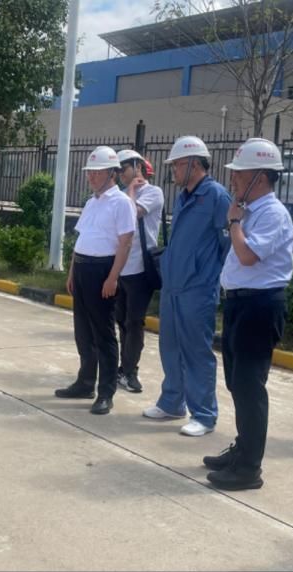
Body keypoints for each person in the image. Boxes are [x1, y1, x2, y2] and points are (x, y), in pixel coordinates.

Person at [203, 138, 293, 491]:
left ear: (261, 177)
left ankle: (249, 468)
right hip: (241, 304)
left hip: (261, 305)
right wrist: (238, 219)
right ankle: (242, 450)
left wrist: (234, 223)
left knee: (249, 386)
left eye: (240, 174)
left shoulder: (272, 213)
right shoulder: (250, 212)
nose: (234, 180)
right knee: (236, 382)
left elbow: (247, 256)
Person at [141, 136, 231, 438]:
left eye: (177, 165)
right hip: (173, 285)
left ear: (194, 163)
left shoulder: (216, 196)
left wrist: (211, 276)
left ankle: (204, 414)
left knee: (196, 352)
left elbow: (227, 244)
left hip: (198, 288)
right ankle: (172, 402)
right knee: (170, 347)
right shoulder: (183, 196)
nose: (174, 171)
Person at [54, 146, 136, 415]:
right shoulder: (92, 202)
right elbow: (82, 239)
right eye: (89, 172)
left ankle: (106, 392)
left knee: (103, 334)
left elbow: (125, 243)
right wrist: (72, 272)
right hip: (82, 269)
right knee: (83, 331)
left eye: (96, 172)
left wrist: (113, 277)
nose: (90, 177)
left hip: (103, 270)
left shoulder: (121, 202)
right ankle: (85, 382)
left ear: (112, 173)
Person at [114, 149, 164, 394]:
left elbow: (131, 215)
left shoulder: (153, 192)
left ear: (137, 166)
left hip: (140, 269)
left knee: (134, 322)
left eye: (124, 169)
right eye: (118, 170)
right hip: (119, 267)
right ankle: (122, 368)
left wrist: (132, 192)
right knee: (121, 320)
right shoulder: (123, 194)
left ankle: (130, 371)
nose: (121, 174)